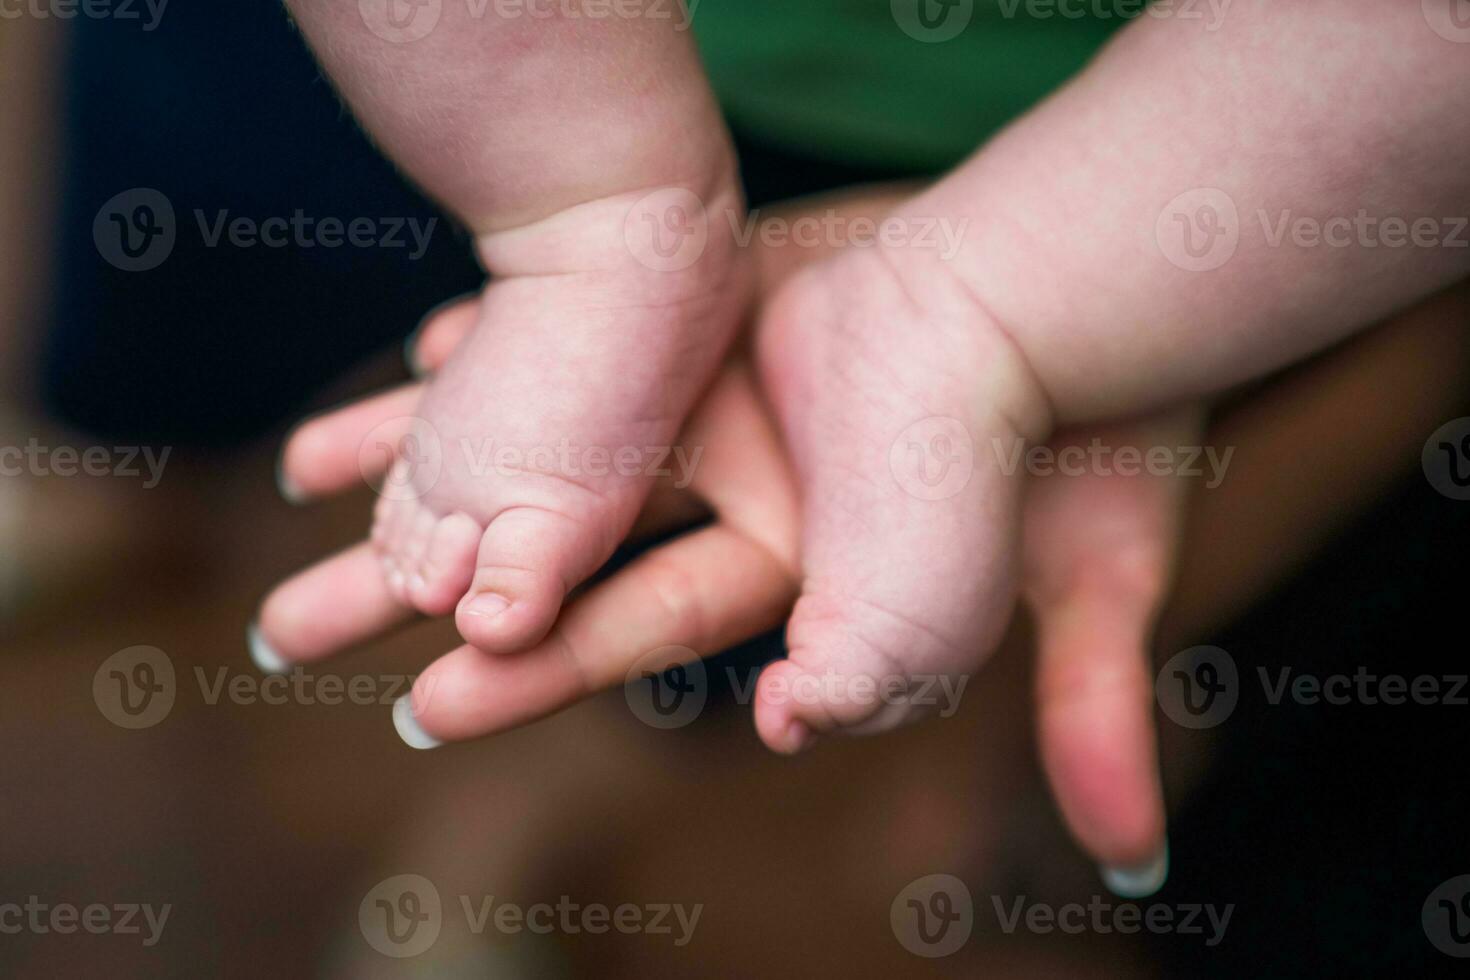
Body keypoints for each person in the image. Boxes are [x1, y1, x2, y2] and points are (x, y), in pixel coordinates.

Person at [259, 1, 1468, 898]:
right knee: (221, 332)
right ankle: (111, 451)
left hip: (1207, 178)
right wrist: (574, 190)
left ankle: (960, 306)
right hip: (574, 71)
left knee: (701, 645)